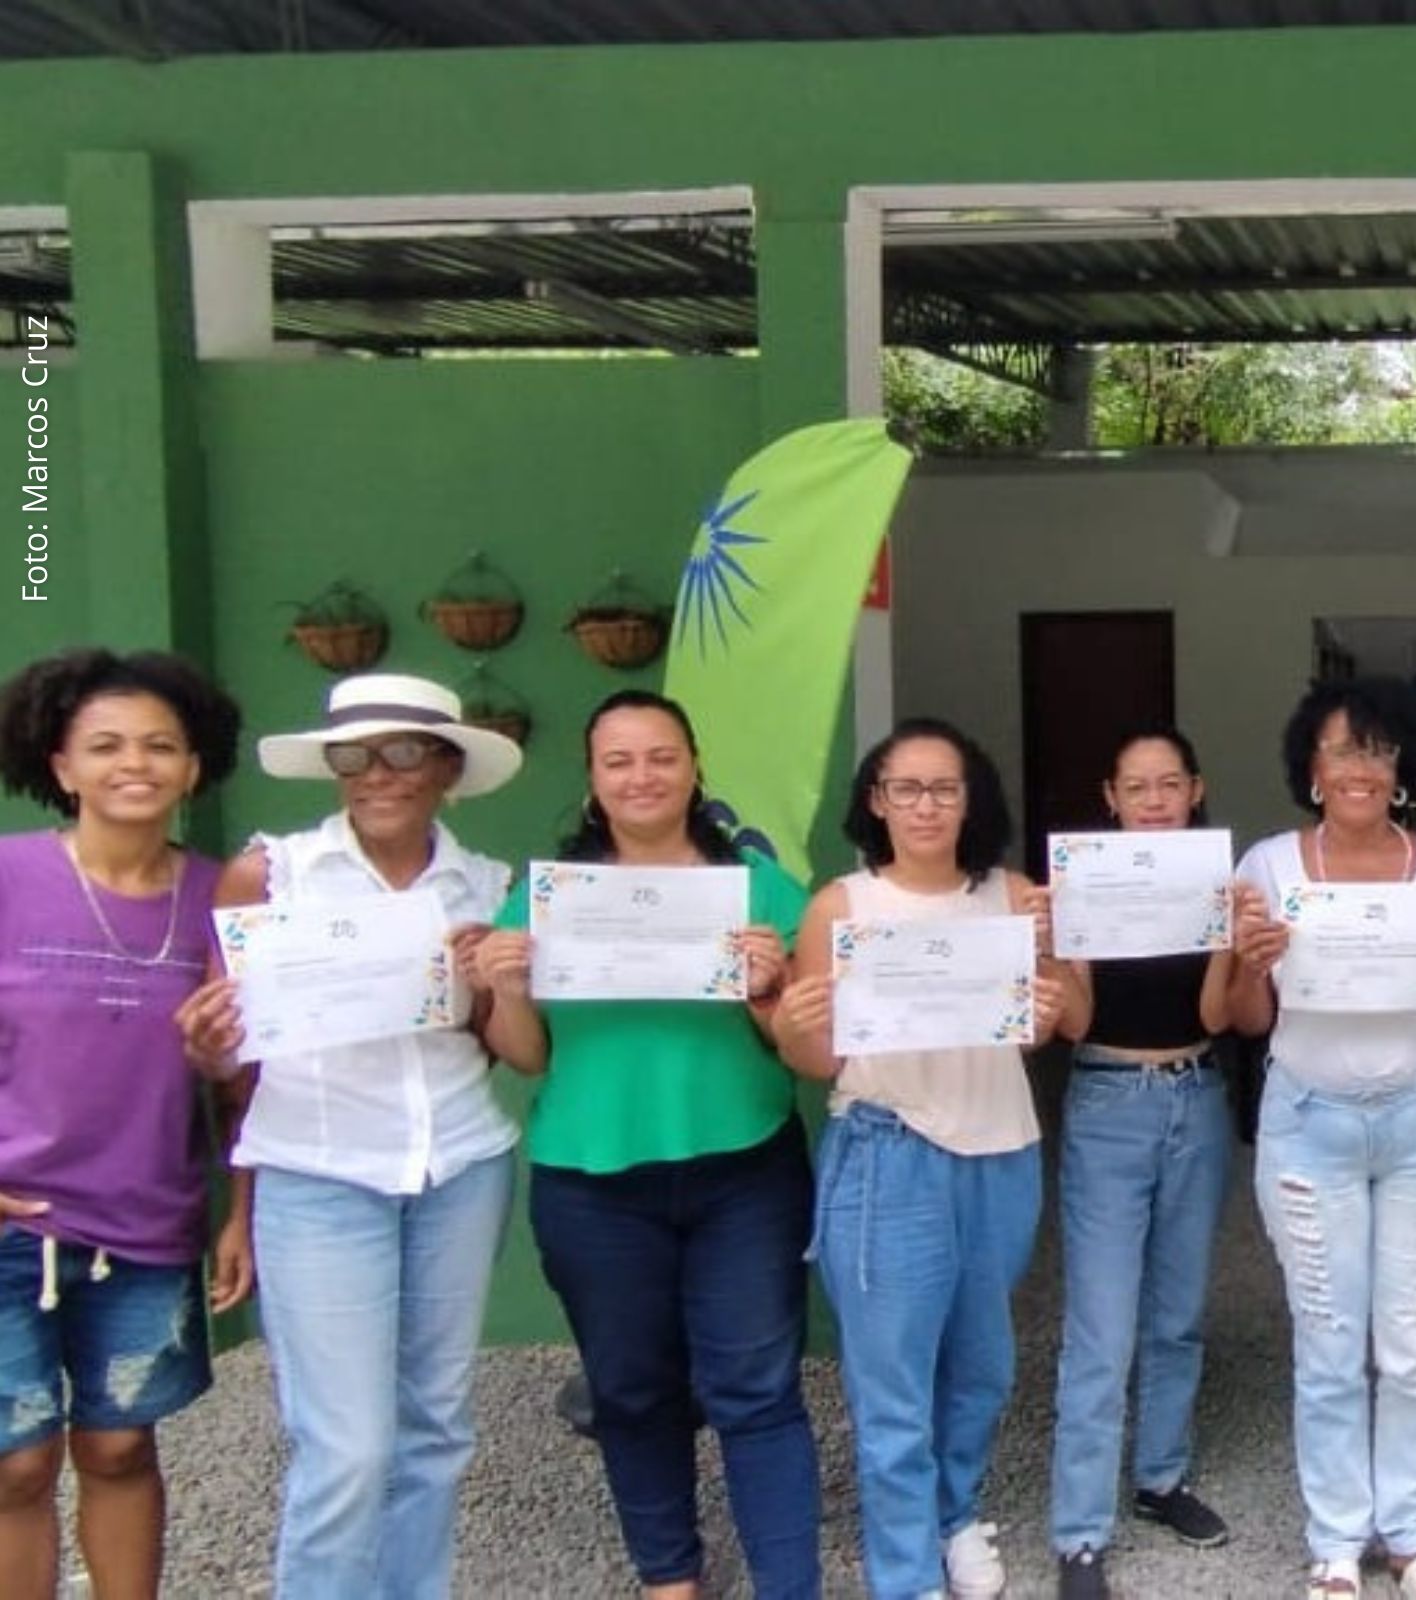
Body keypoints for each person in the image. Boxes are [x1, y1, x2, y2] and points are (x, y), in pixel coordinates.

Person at [175, 674, 523, 1600]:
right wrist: (209, 1055)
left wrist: (489, 984)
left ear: (446, 767)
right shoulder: (271, 873)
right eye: (353, 755)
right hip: (317, 1172)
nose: (377, 774)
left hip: (459, 1163)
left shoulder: (486, 886)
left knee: (436, 1429)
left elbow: (508, 1046)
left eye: (404, 752)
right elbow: (235, 1062)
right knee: (347, 1448)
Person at [477, 690, 821, 1600]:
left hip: (744, 1172)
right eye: (619, 760)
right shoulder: (548, 896)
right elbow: (525, 1055)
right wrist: (506, 989)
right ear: (592, 778)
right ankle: (671, 1577)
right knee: (630, 1388)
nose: (642, 777)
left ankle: (790, 1583)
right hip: (591, 1183)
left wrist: (768, 986)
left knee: (759, 1387)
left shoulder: (757, 888)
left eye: (661, 757)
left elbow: (802, 1043)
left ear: (695, 767)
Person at [770, 717, 1065, 1600]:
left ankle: (954, 1515)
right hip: (888, 1153)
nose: (927, 805)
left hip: (1000, 1150)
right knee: (893, 1383)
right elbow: (821, 1057)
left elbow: (1035, 1028)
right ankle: (904, 1574)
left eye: (945, 788)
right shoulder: (841, 907)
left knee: (982, 1366)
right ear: (877, 800)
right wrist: (791, 1031)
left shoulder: (1013, 897)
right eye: (908, 788)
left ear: (971, 799)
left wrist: (1045, 1000)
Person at [1228, 675, 1416, 1600]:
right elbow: (1243, 1016)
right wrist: (1248, 962)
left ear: (1402, 771)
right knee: (1329, 1339)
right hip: (1309, 1122)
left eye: (1379, 752)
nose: (1361, 767)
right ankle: (1338, 1542)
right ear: (1312, 765)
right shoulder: (1268, 867)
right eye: (1344, 748)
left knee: (1414, 1343)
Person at [0, 649, 242, 1600]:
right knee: (16, 1463)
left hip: (146, 1218)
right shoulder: (9, 877)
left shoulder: (224, 897)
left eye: (159, 745)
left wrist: (240, 1214)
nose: (132, 764)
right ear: (61, 765)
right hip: (14, 1218)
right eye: (104, 746)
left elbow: (245, 1080)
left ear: (193, 765)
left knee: (118, 1444)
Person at [1047, 727, 1236, 1600]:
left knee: (1178, 1310)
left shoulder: (1214, 885)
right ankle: (1080, 1533)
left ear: (1194, 791)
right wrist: (1058, 943)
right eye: (1137, 787)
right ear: (1110, 798)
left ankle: (1161, 1477)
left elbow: (1218, 1013)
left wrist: (1230, 938)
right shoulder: (1083, 884)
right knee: (1101, 1324)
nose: (1154, 800)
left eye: (1169, 784)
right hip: (1108, 1099)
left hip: (1195, 1093)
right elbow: (1076, 1024)